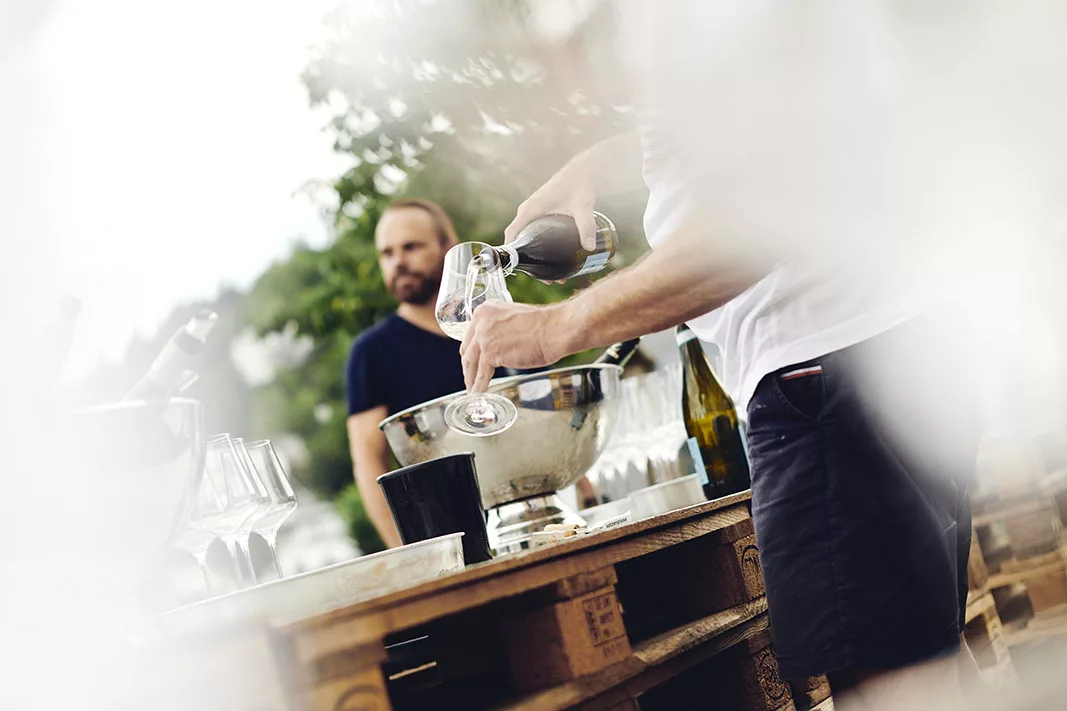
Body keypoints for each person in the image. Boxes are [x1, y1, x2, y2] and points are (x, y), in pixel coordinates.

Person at [454, 2, 1067, 708]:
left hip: (824, 376)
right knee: (923, 660)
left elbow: (752, 223)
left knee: (891, 686)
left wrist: (552, 330)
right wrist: (596, 163)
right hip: (870, 354)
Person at [345, 199, 503, 549]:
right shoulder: (371, 352)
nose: (398, 262)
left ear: (449, 249)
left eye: (411, 247)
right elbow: (369, 462)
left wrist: (585, 494)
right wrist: (408, 554)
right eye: (387, 253)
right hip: (449, 537)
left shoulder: (498, 321)